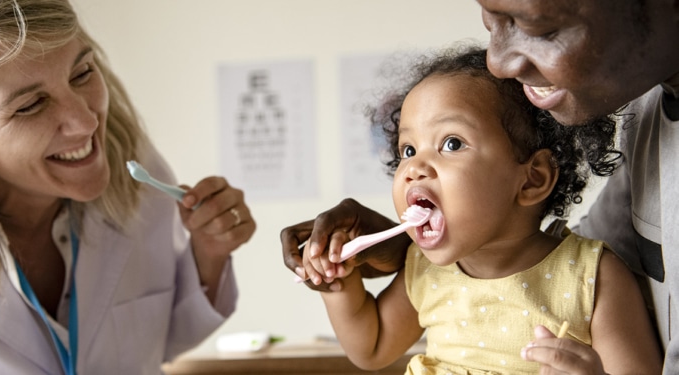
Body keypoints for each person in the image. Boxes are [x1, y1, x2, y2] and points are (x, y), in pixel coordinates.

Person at [281, 0, 679, 372]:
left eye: (451, 143)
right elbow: (372, 344)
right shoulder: (424, 271)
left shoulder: (594, 277)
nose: (414, 167)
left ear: (532, 179)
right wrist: (339, 283)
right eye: (407, 149)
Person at [0, 0, 255, 373]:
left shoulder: (141, 177)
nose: (85, 122)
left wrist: (209, 253)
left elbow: (162, 340)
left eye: (82, 74)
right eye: (31, 105)